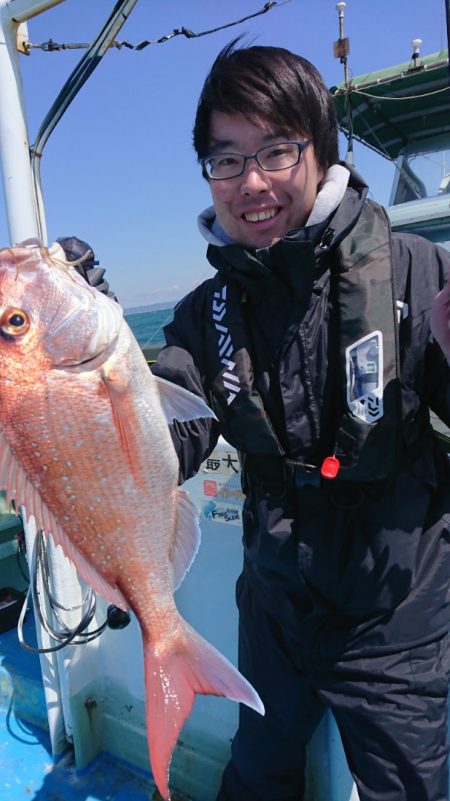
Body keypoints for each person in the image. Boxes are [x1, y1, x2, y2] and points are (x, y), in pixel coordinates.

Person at [70, 42, 450, 801]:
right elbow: (163, 442)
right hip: (274, 607)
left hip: (398, 612)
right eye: (226, 160)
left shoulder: (415, 269)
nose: (252, 182)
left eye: (276, 150)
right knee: (256, 773)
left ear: (321, 150)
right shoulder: (199, 320)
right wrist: (78, 378)